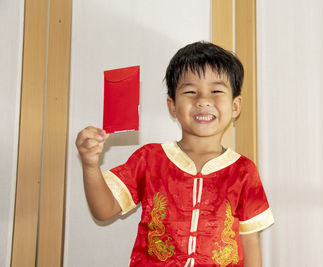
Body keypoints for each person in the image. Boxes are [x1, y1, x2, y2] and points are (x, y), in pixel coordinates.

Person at [75, 41, 274, 267]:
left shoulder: (244, 171)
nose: (203, 101)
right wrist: (90, 165)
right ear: (172, 105)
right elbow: (103, 210)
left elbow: (250, 241)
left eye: (216, 91)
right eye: (190, 91)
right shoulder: (149, 159)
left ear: (235, 106)